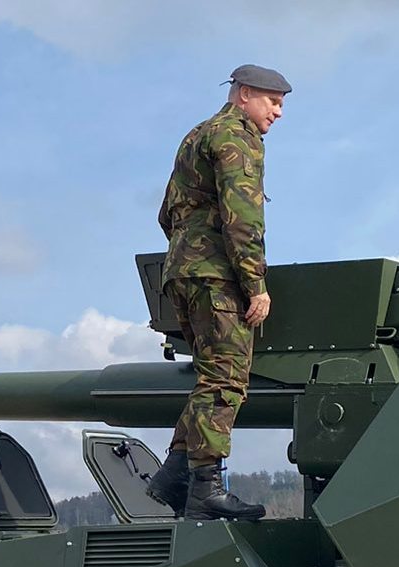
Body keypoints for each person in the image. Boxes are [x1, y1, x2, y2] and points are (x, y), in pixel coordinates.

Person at [147, 63, 291, 522]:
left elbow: (166, 215)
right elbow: (243, 217)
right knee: (227, 378)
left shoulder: (197, 135)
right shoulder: (237, 137)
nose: (279, 112)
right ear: (244, 94)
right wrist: (255, 285)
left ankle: (175, 475)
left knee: (210, 376)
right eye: (273, 101)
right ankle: (206, 489)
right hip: (217, 277)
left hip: (182, 273)